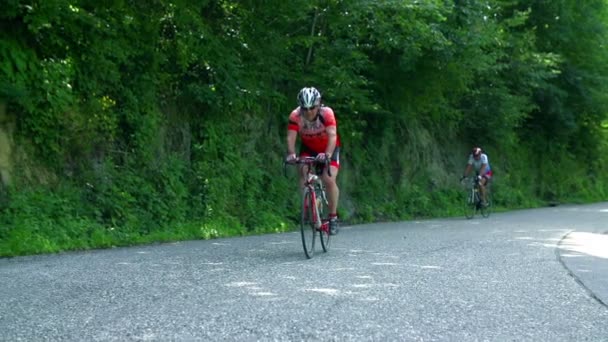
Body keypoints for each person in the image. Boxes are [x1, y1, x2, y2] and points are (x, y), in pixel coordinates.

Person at [286, 87, 341, 235]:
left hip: (329, 148)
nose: (309, 111)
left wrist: (327, 154)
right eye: (305, 108)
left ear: (319, 105)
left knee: (328, 179)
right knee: (303, 173)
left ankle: (333, 217)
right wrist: (291, 154)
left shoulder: (327, 113)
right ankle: (310, 203)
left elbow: (332, 135)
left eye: (312, 108)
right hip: (309, 148)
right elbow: (291, 137)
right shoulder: (295, 116)